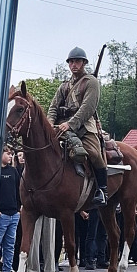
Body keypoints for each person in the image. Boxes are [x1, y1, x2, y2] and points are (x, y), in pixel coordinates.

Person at [48, 47, 107, 205]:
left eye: (77, 61)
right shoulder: (64, 86)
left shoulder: (91, 82)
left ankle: (102, 189)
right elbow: (53, 107)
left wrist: (71, 124)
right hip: (62, 126)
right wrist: (49, 125)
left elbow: (87, 108)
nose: (74, 64)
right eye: (71, 61)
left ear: (84, 63)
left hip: (84, 127)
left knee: (93, 153)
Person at [0, 146, 21, 272]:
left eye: (11, 154)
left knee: (10, 244)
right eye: (8, 154)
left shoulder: (14, 171)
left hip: (14, 213)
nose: (10, 156)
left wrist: (20, 207)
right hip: (0, 214)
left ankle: (7, 269)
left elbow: (19, 189)